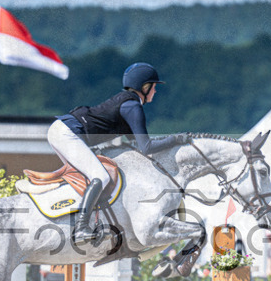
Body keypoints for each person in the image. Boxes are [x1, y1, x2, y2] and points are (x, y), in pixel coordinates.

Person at [48, 62, 182, 244]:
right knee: (100, 177)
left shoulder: (128, 104)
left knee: (85, 178)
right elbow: (147, 147)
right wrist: (177, 140)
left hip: (65, 130)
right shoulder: (133, 107)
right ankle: (80, 228)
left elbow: (136, 145)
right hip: (68, 133)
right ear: (145, 87)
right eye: (154, 87)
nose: (155, 92)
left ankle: (81, 221)